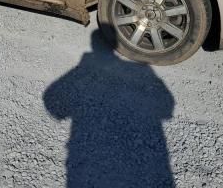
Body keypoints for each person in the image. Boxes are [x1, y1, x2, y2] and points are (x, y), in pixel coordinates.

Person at [44, 29, 175, 187]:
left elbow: (52, 101)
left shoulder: (85, 66)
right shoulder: (143, 69)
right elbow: (167, 107)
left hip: (88, 162)